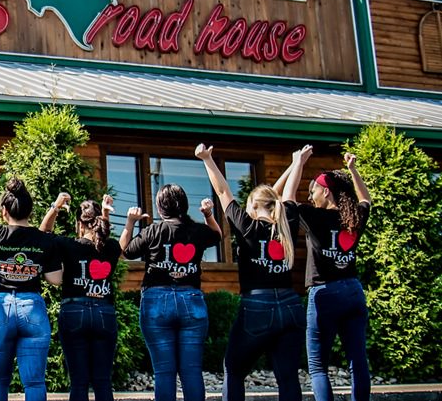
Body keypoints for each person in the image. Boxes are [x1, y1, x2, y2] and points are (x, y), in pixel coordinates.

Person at [195, 143, 304, 401]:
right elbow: (286, 194)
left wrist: (207, 159)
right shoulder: (287, 223)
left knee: (233, 369)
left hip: (257, 305)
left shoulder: (247, 226)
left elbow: (222, 191)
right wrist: (296, 164)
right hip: (290, 304)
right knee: (288, 376)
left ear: (253, 206)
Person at [0, 153, 62, 401]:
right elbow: (55, 279)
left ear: (3, 211)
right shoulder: (44, 240)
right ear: (30, 211)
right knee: (34, 383)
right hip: (32, 306)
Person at [283, 147, 371, 401]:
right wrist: (353, 170)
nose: (311, 197)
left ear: (326, 191)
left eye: (314, 191)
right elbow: (366, 200)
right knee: (357, 360)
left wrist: (298, 163)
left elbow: (287, 200)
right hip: (353, 291)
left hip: (324, 292)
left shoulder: (316, 217)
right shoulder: (354, 217)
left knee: (318, 365)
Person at [120, 185, 220, 401]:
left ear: (159, 207)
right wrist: (208, 215)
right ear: (184, 205)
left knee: (164, 371)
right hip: (191, 300)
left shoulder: (152, 232)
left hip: (156, 301)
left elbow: (124, 251)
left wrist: (130, 222)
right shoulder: (196, 230)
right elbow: (217, 236)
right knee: (191, 371)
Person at [40, 193, 121, 401]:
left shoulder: (68, 245)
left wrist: (55, 207)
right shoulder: (111, 248)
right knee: (103, 381)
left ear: (79, 224)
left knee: (78, 381)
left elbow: (43, 233)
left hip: (74, 311)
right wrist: (105, 214)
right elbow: (105, 238)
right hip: (104, 312)